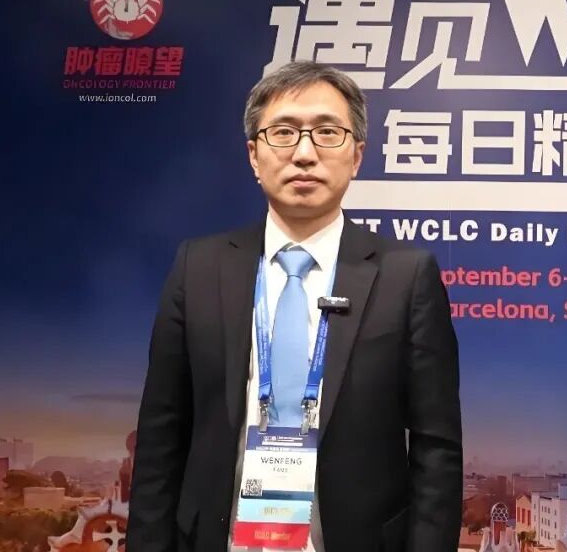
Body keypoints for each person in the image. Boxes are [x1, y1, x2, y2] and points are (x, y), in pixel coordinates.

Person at [127, 61, 463, 551]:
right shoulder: (197, 267)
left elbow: (437, 450)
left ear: (357, 155)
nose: (304, 153)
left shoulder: (406, 276)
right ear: (254, 155)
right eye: (283, 133)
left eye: (327, 132)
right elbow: (161, 436)